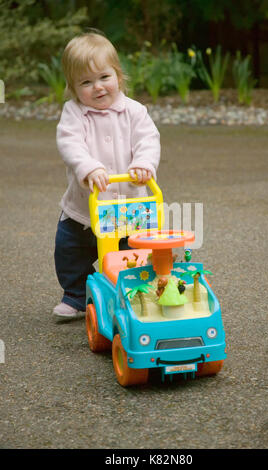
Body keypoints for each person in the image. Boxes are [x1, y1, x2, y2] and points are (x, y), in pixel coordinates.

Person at [53, 31, 160, 321]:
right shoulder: (74, 113)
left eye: (104, 77)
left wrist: (143, 164)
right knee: (70, 251)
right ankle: (75, 295)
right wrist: (89, 167)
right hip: (84, 209)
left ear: (118, 75)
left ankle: (132, 293)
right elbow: (69, 144)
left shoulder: (135, 112)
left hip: (129, 206)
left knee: (132, 254)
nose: (97, 88)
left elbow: (148, 140)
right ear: (74, 88)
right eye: (86, 82)